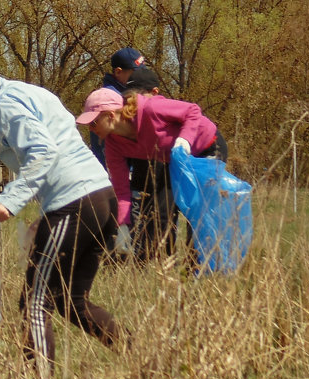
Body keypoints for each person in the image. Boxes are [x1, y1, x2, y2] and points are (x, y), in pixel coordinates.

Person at [0, 53, 122, 368]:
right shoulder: (20, 93)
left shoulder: (8, 103)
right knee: (71, 300)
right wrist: (47, 213)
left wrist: (10, 200)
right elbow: (58, 146)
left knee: (36, 303)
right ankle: (142, 353)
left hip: (74, 202)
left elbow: (44, 151)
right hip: (99, 198)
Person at [76, 86, 228, 264]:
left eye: (93, 123)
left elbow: (193, 110)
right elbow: (122, 190)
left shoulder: (150, 109)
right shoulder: (113, 146)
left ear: (110, 115)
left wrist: (185, 139)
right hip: (174, 161)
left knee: (199, 210)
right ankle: (168, 266)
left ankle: (199, 266)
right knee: (161, 211)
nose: (91, 129)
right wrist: (123, 225)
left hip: (207, 146)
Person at [123, 66, 176, 263]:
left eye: (137, 96)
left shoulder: (163, 110)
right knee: (143, 216)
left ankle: (166, 260)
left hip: (166, 167)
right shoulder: (132, 117)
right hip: (142, 167)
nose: (132, 102)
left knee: (164, 216)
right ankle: (141, 259)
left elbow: (193, 113)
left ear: (155, 93)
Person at [88, 47, 145, 165]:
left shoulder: (131, 94)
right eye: (136, 73)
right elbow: (104, 145)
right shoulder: (109, 100)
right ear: (118, 72)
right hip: (118, 169)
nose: (140, 77)